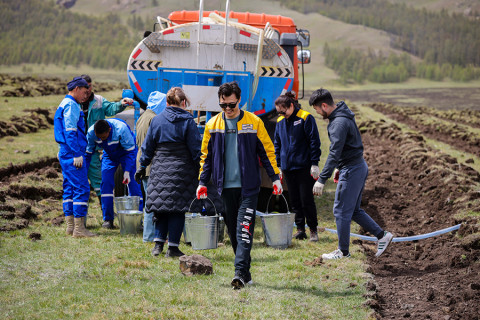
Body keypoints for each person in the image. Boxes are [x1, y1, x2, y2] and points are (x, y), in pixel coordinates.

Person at [196, 81, 282, 289]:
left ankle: (239, 275)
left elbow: (267, 152)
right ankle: (246, 272)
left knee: (244, 229)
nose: (228, 110)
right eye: (223, 105)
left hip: (248, 188)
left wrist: (276, 178)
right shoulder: (212, 125)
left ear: (239, 101)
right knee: (234, 233)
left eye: (231, 105)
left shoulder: (254, 122)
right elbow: (206, 157)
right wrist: (201, 182)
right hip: (224, 188)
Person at [309, 88, 394, 259]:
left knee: (340, 210)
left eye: (317, 109)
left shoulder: (338, 123)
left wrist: (322, 179)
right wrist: (340, 167)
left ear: (324, 105)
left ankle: (343, 251)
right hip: (356, 166)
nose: (317, 112)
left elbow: (334, 152)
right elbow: (348, 145)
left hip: (352, 169)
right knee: (353, 210)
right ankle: (382, 236)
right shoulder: (342, 115)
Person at [135, 87, 201, 258]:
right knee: (178, 209)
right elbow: (195, 149)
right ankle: (172, 247)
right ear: (184, 103)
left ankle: (157, 246)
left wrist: (142, 166)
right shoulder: (188, 121)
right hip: (181, 170)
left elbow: (147, 147)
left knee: (161, 207)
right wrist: (201, 170)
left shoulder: (156, 121)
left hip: (159, 169)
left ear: (167, 102)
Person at [274, 91, 321, 242]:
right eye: (279, 112)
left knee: (306, 199)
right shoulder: (280, 121)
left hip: (304, 167)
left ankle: (313, 229)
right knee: (294, 200)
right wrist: (279, 165)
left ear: (291, 106)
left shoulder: (305, 118)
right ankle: (300, 229)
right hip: (288, 168)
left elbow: (314, 142)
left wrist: (314, 163)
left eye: (284, 111)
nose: (282, 114)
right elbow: (277, 144)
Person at [80, 74, 133, 205]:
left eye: (89, 86)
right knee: (78, 180)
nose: (87, 90)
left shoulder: (98, 100)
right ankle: (80, 216)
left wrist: (121, 104)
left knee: (99, 180)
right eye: (84, 87)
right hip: (79, 146)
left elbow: (111, 108)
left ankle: (105, 211)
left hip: (94, 147)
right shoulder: (74, 102)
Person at [53, 76, 96, 238]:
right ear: (76, 89)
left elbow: (61, 131)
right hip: (73, 153)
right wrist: (77, 154)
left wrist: (61, 149)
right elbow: (70, 132)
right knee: (81, 188)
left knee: (69, 188)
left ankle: (70, 227)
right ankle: (79, 229)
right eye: (85, 92)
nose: (86, 95)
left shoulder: (63, 103)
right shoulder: (72, 105)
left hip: (65, 151)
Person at [85, 119, 143, 229]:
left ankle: (137, 220)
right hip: (109, 155)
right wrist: (84, 173)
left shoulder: (121, 129)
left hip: (126, 153)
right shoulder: (91, 132)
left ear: (109, 130)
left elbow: (131, 152)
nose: (101, 139)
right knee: (106, 183)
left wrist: (126, 172)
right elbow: (88, 154)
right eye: (99, 138)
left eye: (103, 137)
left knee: (133, 184)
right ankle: (108, 219)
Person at [135, 91, 167, 243]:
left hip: (142, 163)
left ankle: (151, 235)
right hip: (151, 165)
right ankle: (149, 236)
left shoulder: (142, 117)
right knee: (153, 202)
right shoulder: (154, 119)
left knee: (150, 200)